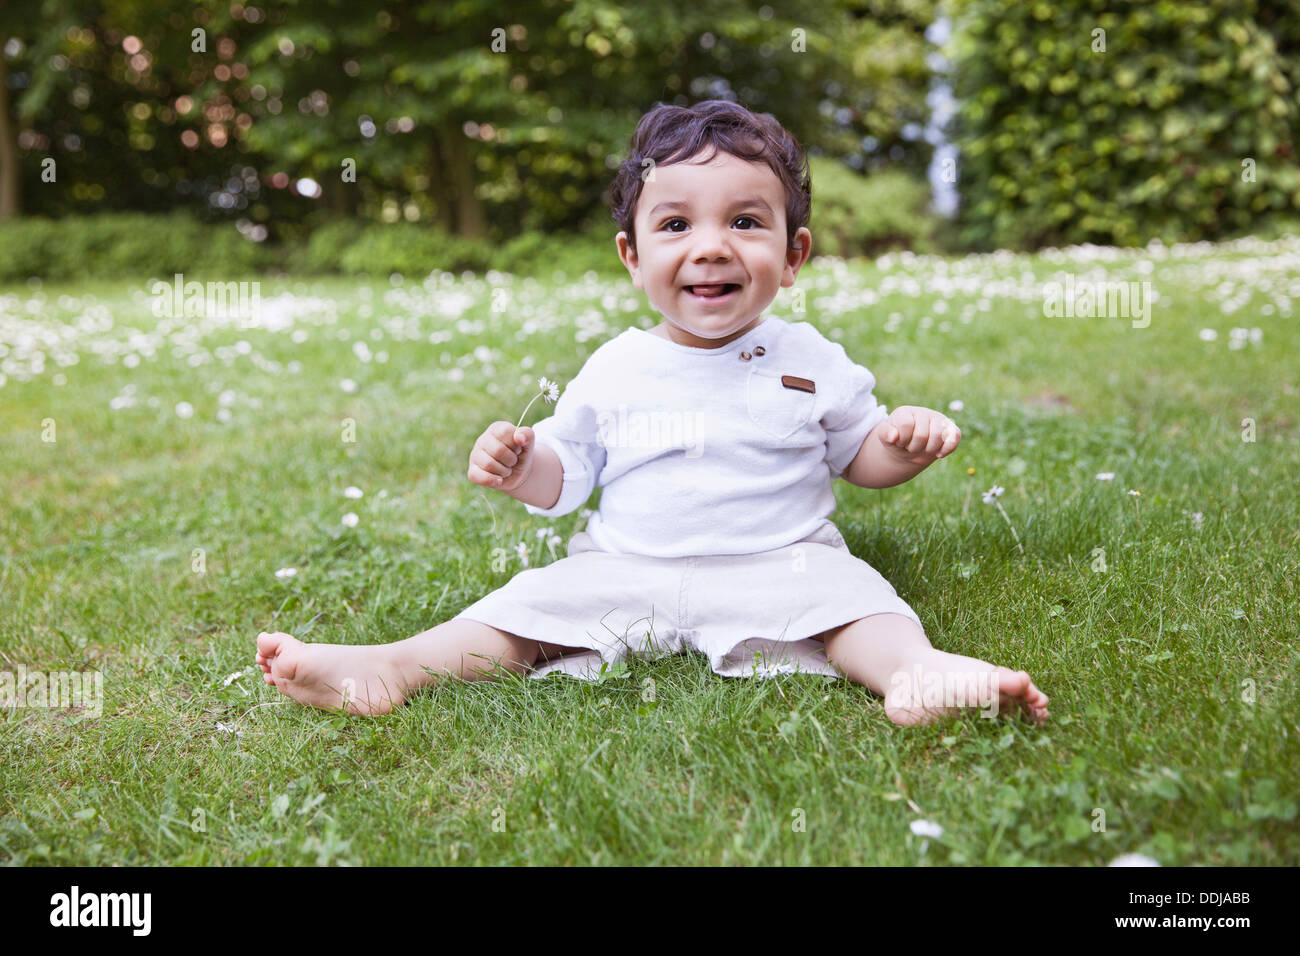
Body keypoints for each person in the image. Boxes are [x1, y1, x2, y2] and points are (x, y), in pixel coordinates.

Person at [255, 99, 1048, 726]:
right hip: (623, 570)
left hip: (782, 565)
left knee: (861, 602)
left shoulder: (811, 359)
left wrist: (900, 446)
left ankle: (915, 672)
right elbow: (569, 476)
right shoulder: (617, 366)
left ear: (794, 255)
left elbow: (858, 456)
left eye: (745, 222)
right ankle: (390, 666)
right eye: (675, 225)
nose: (710, 247)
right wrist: (524, 466)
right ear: (632, 257)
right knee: (522, 612)